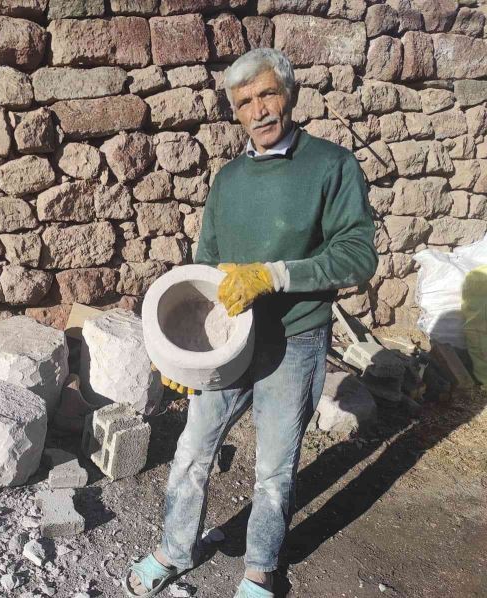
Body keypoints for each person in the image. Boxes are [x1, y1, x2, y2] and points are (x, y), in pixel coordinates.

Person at [123, 48, 378, 598]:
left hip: (297, 341)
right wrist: (182, 354)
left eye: (267, 95)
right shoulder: (229, 179)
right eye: (245, 102)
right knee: (193, 449)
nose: (259, 110)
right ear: (234, 113)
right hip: (229, 341)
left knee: (273, 468)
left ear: (288, 95)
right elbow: (207, 264)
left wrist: (276, 275)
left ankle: (260, 568)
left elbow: (358, 256)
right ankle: (173, 550)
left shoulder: (331, 167)